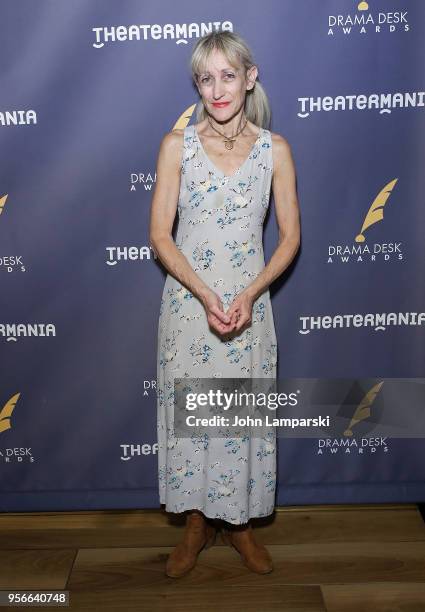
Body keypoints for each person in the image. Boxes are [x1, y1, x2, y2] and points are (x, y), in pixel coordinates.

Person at [149, 30, 300, 577]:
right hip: (191, 307)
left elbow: (289, 239)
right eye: (206, 78)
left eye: (228, 76)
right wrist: (208, 294)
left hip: (248, 309)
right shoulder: (176, 146)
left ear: (249, 77)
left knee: (238, 422)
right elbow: (161, 236)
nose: (217, 89)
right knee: (192, 421)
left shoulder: (275, 151)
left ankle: (237, 526)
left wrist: (248, 294)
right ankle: (195, 523)